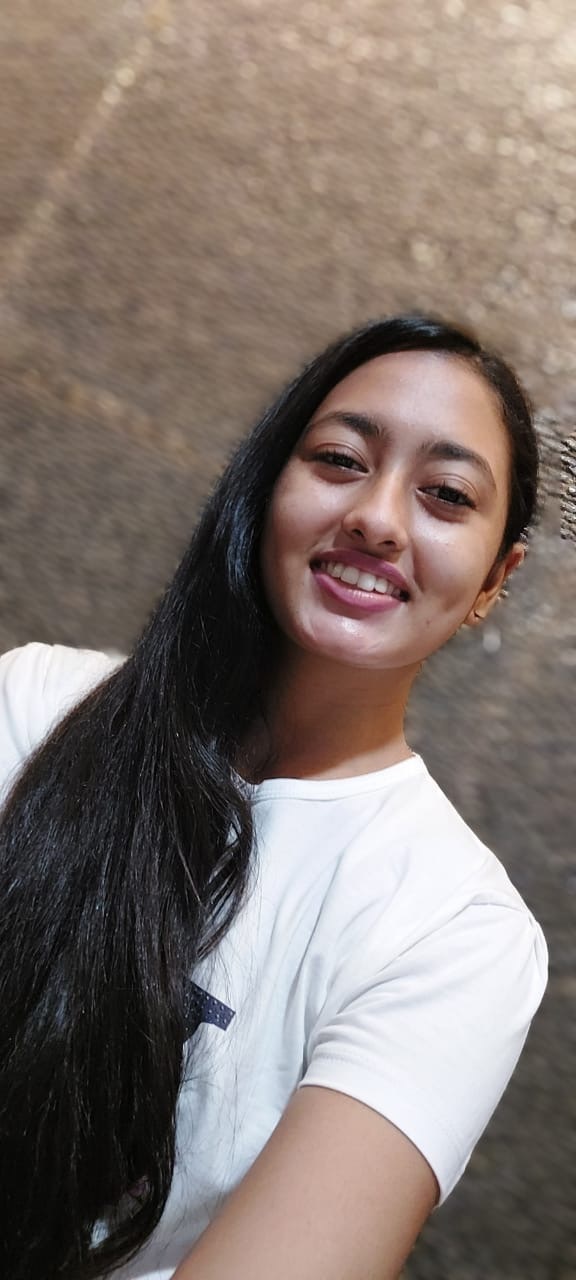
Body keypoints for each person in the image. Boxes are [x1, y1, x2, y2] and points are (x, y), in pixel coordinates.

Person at [0, 314, 547, 1280]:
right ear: (265, 488)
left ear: (494, 581)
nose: (378, 518)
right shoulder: (35, 702)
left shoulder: (456, 933)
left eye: (447, 495)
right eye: (340, 460)